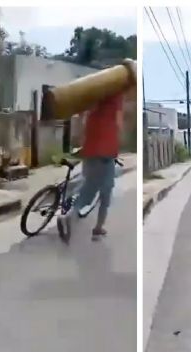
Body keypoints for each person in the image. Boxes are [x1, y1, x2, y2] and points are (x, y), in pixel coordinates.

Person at [57, 87, 127, 243]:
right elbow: (119, 124)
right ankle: (77, 220)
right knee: (104, 193)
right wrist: (117, 143)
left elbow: (81, 118)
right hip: (105, 154)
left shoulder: (93, 94)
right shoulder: (116, 97)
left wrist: (82, 140)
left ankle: (84, 220)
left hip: (89, 151)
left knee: (87, 189)